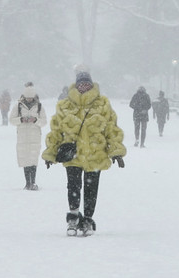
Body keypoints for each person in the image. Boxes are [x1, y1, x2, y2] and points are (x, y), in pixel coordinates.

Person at [43, 65, 126, 236]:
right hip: (72, 155)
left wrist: (116, 151)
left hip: (96, 155)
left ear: (91, 85)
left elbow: (112, 129)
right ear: (76, 85)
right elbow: (56, 132)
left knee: (91, 190)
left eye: (87, 84)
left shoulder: (103, 104)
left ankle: (87, 219)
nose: (84, 87)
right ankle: (73, 218)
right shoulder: (64, 105)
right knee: (73, 187)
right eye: (81, 84)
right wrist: (50, 153)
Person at [10, 82, 48, 190]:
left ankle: (33, 182)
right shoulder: (18, 106)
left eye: (31, 98)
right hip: (22, 136)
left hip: (35, 136)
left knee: (33, 159)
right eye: (28, 98)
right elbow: (11, 119)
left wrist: (35, 120)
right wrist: (21, 119)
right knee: (25, 159)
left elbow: (44, 121)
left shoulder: (39, 106)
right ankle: (27, 183)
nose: (29, 100)